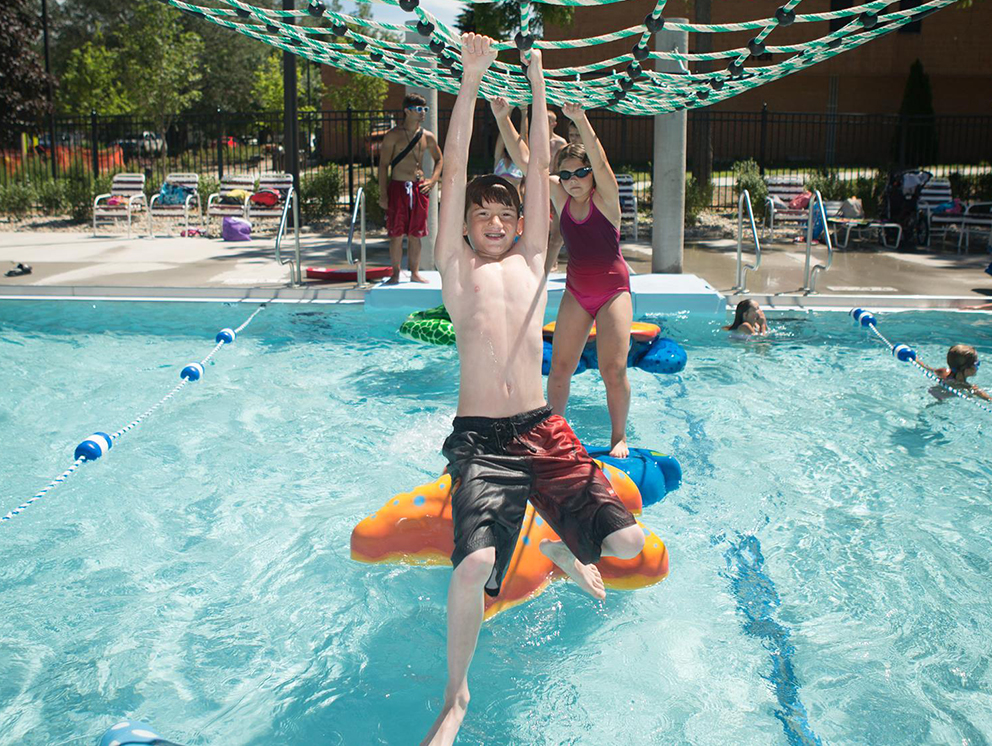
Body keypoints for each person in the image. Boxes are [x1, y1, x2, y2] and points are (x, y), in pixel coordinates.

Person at [421, 35, 646, 746]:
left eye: (505, 215)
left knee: (629, 544)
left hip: (542, 429)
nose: (492, 221)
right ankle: (455, 699)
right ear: (463, 226)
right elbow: (455, 170)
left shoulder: (535, 262)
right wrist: (472, 79)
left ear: (523, 225)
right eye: (480, 215)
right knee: (477, 564)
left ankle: (558, 548)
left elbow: (542, 164)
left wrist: (538, 76)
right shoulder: (456, 272)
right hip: (484, 443)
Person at [494, 99, 632, 458]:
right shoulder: (561, 194)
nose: (572, 182)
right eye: (565, 175)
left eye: (579, 173)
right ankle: (555, 435)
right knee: (559, 368)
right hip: (577, 290)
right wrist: (501, 117)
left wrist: (580, 119)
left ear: (590, 173)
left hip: (613, 291)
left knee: (612, 370)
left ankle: (619, 436)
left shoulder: (607, 200)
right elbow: (527, 162)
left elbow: (601, 162)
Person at [378, 93, 443, 284]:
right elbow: (383, 165)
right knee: (396, 234)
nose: (423, 113)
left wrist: (433, 181)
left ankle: (414, 273)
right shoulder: (393, 136)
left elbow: (440, 159)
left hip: (419, 189)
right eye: (418, 109)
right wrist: (383, 194)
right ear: (407, 111)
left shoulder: (427, 137)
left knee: (416, 234)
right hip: (398, 188)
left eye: (425, 109)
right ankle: (396, 273)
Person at [916, 344, 991, 401]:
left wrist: (915, 359)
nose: (977, 367)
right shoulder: (970, 388)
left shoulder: (943, 371)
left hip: (929, 394)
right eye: (976, 364)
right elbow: (989, 400)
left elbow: (926, 368)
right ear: (968, 369)